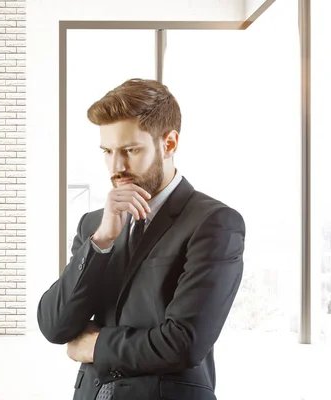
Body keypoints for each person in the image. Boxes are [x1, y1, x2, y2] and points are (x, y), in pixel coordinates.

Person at [36, 78, 245, 400]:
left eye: (130, 150)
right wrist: (102, 241)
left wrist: (94, 345)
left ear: (169, 144)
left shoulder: (213, 222)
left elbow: (184, 343)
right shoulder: (95, 225)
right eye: (107, 151)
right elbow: (55, 325)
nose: (116, 167)